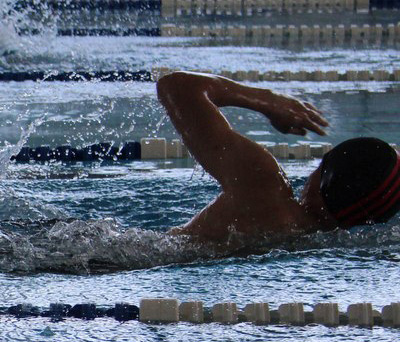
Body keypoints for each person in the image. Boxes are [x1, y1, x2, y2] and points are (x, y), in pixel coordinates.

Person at [157, 70, 400, 242]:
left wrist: (268, 100)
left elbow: (177, 86)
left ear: (324, 176)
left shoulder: (264, 186)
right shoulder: (310, 243)